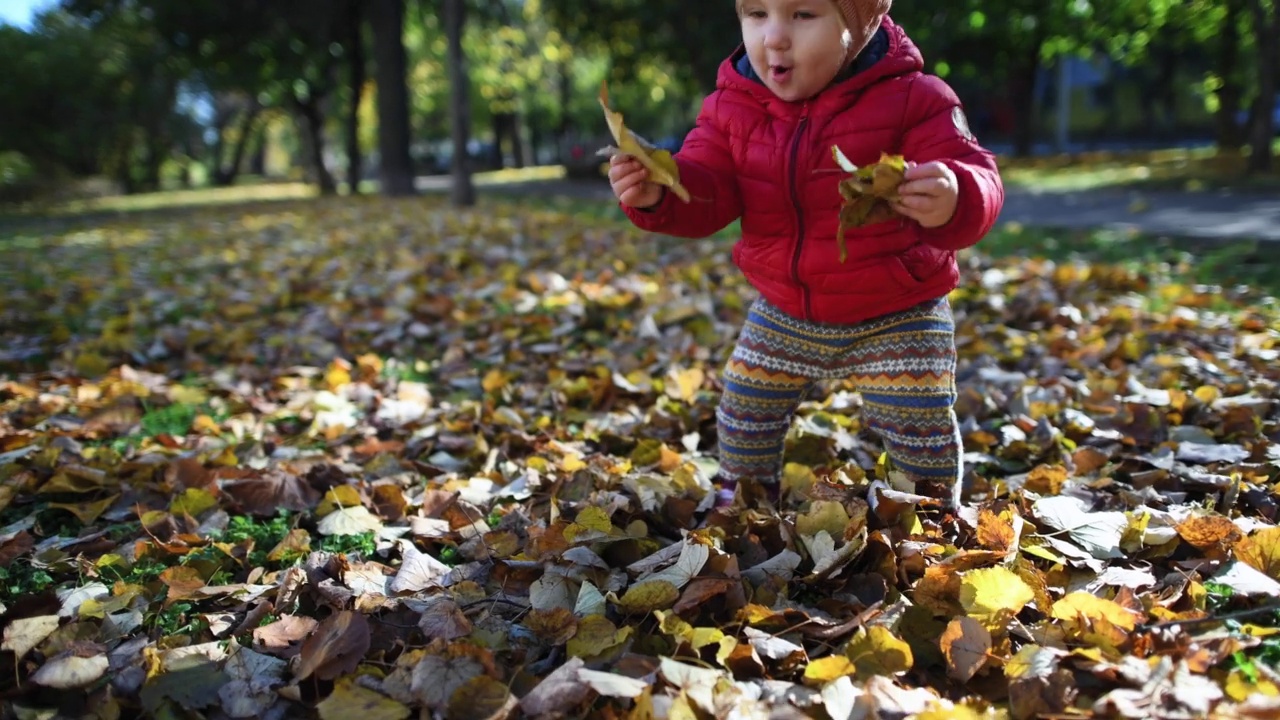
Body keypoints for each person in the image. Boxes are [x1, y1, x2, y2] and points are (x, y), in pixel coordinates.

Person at [608, 0, 1004, 509]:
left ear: (857, 26)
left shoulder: (915, 98)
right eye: (756, 14)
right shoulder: (732, 108)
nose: (774, 36)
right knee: (745, 408)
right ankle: (746, 505)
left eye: (802, 15)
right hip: (786, 305)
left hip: (898, 305)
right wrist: (662, 192)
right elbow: (709, 189)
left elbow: (977, 171)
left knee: (916, 417)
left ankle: (927, 516)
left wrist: (957, 194)